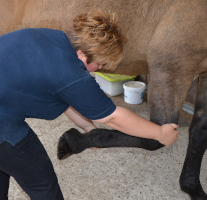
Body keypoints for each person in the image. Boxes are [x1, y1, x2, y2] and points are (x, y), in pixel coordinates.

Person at [0, 7, 179, 200]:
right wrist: (160, 133)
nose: (100, 69)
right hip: (3, 127)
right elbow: (113, 117)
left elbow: (62, 94)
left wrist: (87, 127)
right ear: (82, 54)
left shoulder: (51, 37)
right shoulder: (71, 72)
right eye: (100, 64)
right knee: (43, 185)